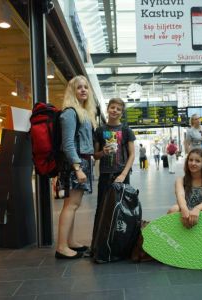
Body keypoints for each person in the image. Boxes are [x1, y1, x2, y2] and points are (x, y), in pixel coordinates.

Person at [55, 75, 96, 259]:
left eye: (86, 87)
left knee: (73, 204)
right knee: (71, 205)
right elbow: (68, 144)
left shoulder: (82, 111)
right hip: (75, 164)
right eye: (79, 87)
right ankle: (62, 247)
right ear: (72, 90)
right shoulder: (70, 113)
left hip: (81, 162)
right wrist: (78, 168)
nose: (83, 90)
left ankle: (69, 242)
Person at [92, 98, 136, 245]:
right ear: (108, 109)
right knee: (102, 207)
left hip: (122, 175)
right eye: (112, 107)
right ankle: (97, 243)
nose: (115, 111)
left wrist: (123, 174)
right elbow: (95, 155)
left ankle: (121, 243)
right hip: (105, 175)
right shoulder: (100, 130)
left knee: (123, 208)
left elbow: (132, 155)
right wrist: (102, 153)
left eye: (118, 109)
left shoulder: (126, 130)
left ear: (121, 113)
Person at [167, 149, 202, 228]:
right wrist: (183, 208)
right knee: (174, 209)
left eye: (197, 161)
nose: (193, 163)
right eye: (190, 160)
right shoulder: (180, 180)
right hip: (187, 213)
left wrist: (197, 209)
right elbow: (180, 196)